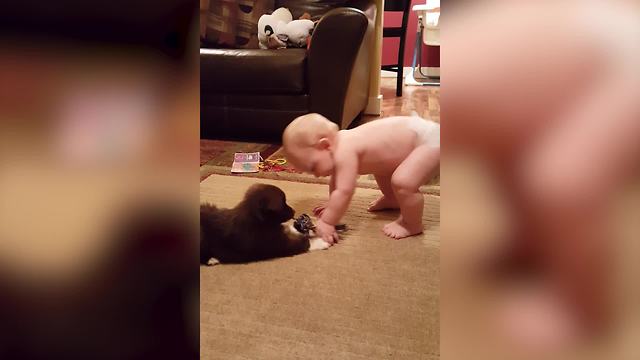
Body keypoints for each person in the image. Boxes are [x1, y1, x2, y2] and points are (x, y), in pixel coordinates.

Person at [282, 113, 440, 243]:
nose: (315, 175)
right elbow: (336, 183)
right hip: (416, 138)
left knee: (403, 182)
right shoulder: (339, 147)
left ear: (325, 146)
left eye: (313, 167)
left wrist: (328, 221)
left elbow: (345, 190)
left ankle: (412, 223)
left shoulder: (345, 149)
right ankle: (392, 199)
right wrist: (332, 205)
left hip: (430, 140)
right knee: (382, 168)